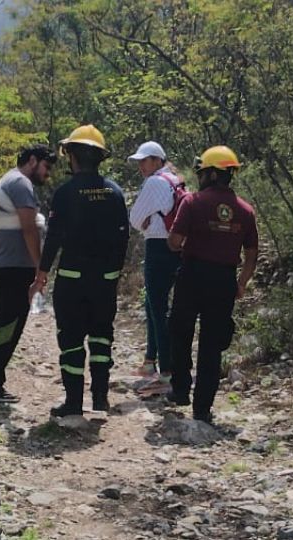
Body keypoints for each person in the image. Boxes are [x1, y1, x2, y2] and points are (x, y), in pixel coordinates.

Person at [29, 125, 129, 417]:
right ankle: (100, 399)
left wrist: (42, 272)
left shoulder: (65, 194)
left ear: (71, 155)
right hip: (104, 282)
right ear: (100, 157)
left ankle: (74, 402)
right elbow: (123, 237)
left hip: (72, 281)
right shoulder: (114, 192)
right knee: (101, 337)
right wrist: (114, 273)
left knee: (71, 340)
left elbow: (55, 238)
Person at [165, 146, 258, 424]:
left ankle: (181, 389)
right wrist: (241, 284)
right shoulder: (245, 210)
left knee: (179, 331)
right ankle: (202, 408)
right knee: (211, 345)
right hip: (223, 280)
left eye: (203, 172)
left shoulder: (192, 202)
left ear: (213, 174)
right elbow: (251, 255)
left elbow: (174, 242)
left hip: (192, 275)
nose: (200, 176)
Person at [0, 145, 57, 403]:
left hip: (8, 266)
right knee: (8, 326)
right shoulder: (20, 183)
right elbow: (29, 229)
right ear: (32, 161)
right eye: (46, 166)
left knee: (6, 325)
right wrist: (40, 269)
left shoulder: (11, 180)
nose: (48, 173)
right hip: (13, 268)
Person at [127, 141, 183, 396]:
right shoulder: (177, 181)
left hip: (158, 248)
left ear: (157, 161)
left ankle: (166, 372)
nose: (141, 165)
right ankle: (151, 361)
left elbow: (135, 218)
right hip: (178, 248)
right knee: (154, 304)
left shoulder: (153, 183)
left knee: (157, 308)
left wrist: (147, 220)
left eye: (145, 160)